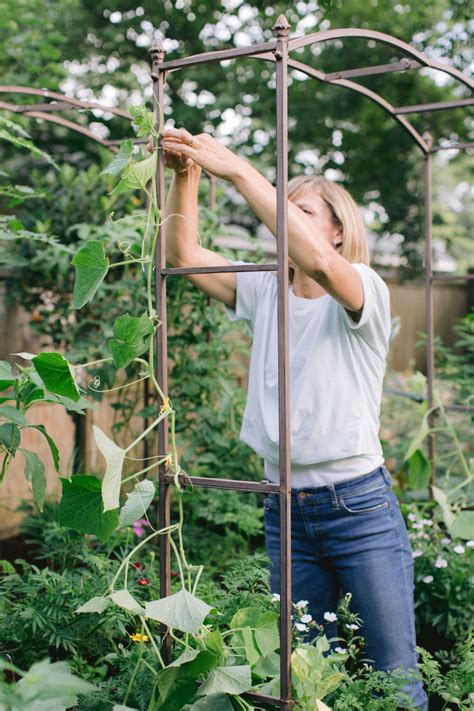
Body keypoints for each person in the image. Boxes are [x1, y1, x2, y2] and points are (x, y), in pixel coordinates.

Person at [160, 126, 428, 711]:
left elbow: (316, 261)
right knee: (308, 674)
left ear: (335, 228)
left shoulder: (363, 290)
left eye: (300, 211)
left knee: (394, 674)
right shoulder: (264, 290)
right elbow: (182, 257)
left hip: (357, 506)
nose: (283, 221)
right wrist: (188, 176)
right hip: (283, 504)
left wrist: (233, 167)